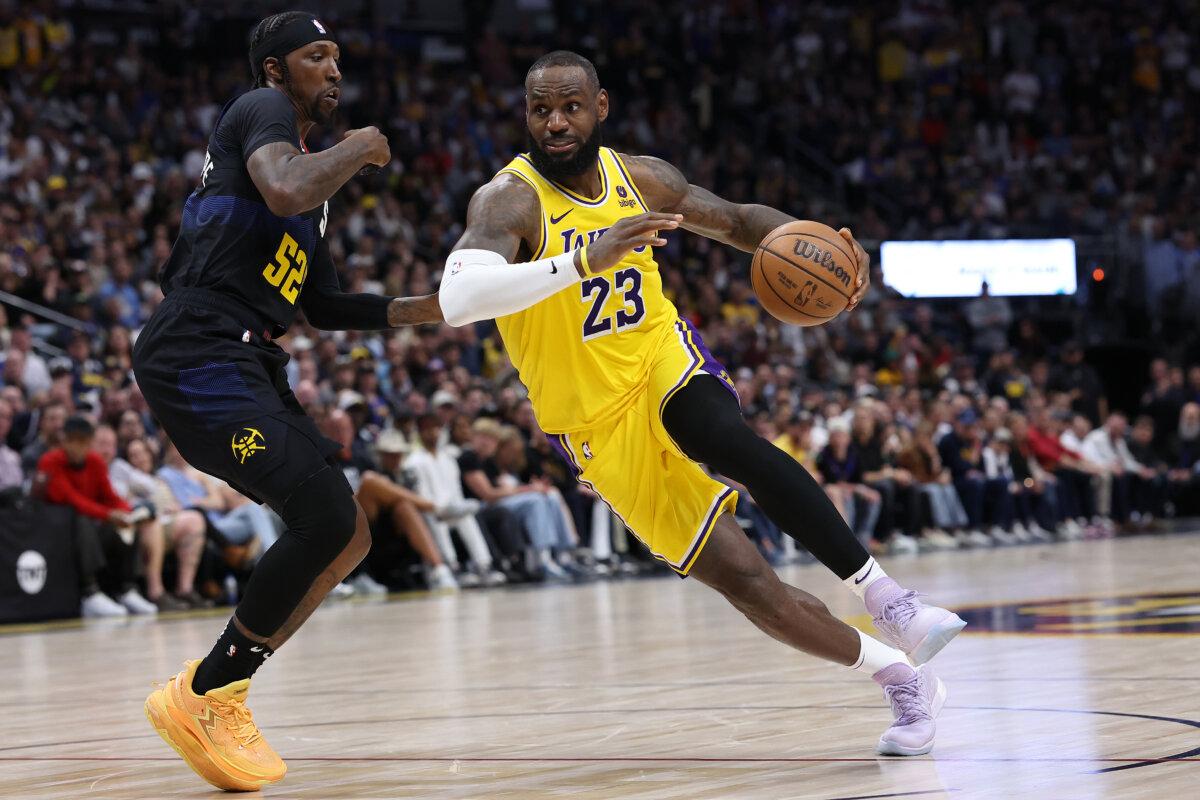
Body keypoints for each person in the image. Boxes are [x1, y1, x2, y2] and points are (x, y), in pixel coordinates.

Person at [437, 51, 965, 756]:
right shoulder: (510, 199)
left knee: (719, 434)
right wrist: (581, 261)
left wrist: (827, 244)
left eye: (570, 106)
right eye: (540, 109)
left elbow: (744, 223)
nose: (556, 122)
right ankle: (898, 675)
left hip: (658, 355)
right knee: (751, 586)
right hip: (592, 422)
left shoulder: (644, 178)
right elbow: (458, 298)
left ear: (602, 107)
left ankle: (890, 600)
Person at [136, 13, 438, 791]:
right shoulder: (261, 113)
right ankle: (205, 693)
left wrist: (430, 308)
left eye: (338, 56)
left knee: (348, 537)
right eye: (317, 56)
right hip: (199, 348)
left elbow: (328, 305)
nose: (334, 69)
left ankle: (223, 690)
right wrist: (362, 146)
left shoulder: (313, 188)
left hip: (248, 357)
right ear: (276, 70)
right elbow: (280, 184)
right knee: (328, 518)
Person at [37, 415, 158, 617]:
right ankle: (89, 592)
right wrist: (109, 514)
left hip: (91, 527)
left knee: (124, 526)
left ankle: (126, 589)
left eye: (84, 442)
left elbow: (110, 496)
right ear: (64, 441)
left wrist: (128, 513)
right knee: (80, 518)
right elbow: (72, 499)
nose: (78, 447)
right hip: (57, 532)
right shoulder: (49, 462)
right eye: (73, 441)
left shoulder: (95, 461)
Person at [405, 414, 506, 586]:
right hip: (429, 512)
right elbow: (419, 497)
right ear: (420, 433)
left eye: (436, 428)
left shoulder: (448, 459)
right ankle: (450, 567)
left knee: (466, 515)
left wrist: (460, 506)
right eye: (428, 429)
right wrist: (440, 508)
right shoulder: (413, 462)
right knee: (436, 520)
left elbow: (456, 492)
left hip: (451, 509)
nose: (433, 433)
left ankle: (483, 566)